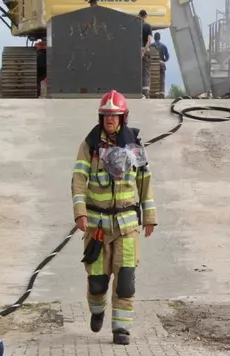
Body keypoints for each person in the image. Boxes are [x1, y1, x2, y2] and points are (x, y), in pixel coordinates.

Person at [71, 90, 157, 345]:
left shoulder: (134, 145)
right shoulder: (90, 146)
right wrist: (80, 213)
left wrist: (149, 216)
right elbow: (78, 180)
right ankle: (97, 311)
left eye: (114, 115)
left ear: (122, 117)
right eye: (106, 115)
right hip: (97, 227)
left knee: (126, 282)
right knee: (97, 282)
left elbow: (144, 180)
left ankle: (121, 329)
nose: (109, 119)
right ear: (101, 117)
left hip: (127, 226)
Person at [151, 33, 169, 98]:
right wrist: (163, 60)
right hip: (161, 64)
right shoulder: (164, 46)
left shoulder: (151, 46)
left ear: (154, 38)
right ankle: (162, 94)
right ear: (159, 38)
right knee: (162, 80)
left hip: (153, 65)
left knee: (152, 79)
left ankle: (152, 94)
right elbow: (167, 57)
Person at [139, 10, 153, 98]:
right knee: (145, 72)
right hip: (145, 51)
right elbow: (149, 41)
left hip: (136, 51)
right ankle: (145, 94)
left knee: (137, 72)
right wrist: (143, 52)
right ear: (145, 16)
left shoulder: (135, 26)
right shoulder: (148, 26)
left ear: (139, 16)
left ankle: (137, 92)